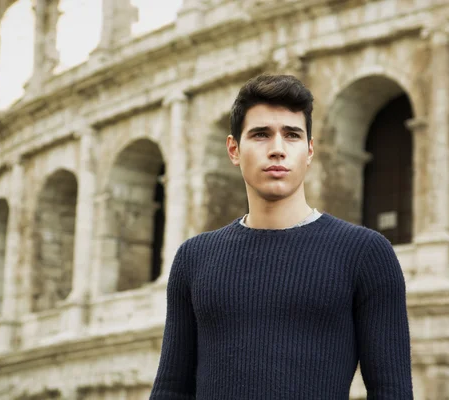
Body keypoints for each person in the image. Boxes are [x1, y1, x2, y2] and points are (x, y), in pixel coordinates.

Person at [149, 74, 413, 399]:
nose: (277, 149)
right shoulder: (194, 258)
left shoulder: (366, 254)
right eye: (261, 135)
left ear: (310, 150)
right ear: (233, 149)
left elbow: (392, 392)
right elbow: (170, 390)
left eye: (291, 135)